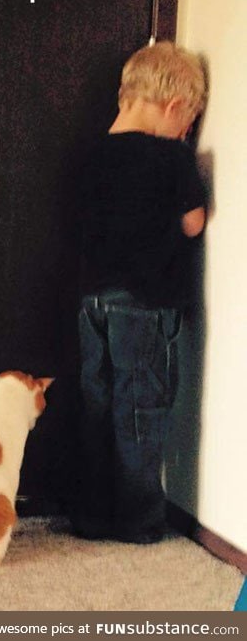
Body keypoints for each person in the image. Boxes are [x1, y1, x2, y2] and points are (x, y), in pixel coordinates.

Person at [74, 41, 207, 543]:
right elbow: (193, 224)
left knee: (97, 401)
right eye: (188, 121)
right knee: (140, 407)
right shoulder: (169, 156)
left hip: (92, 302)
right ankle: (138, 518)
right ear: (174, 108)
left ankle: (90, 514)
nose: (187, 131)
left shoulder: (89, 154)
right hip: (144, 305)